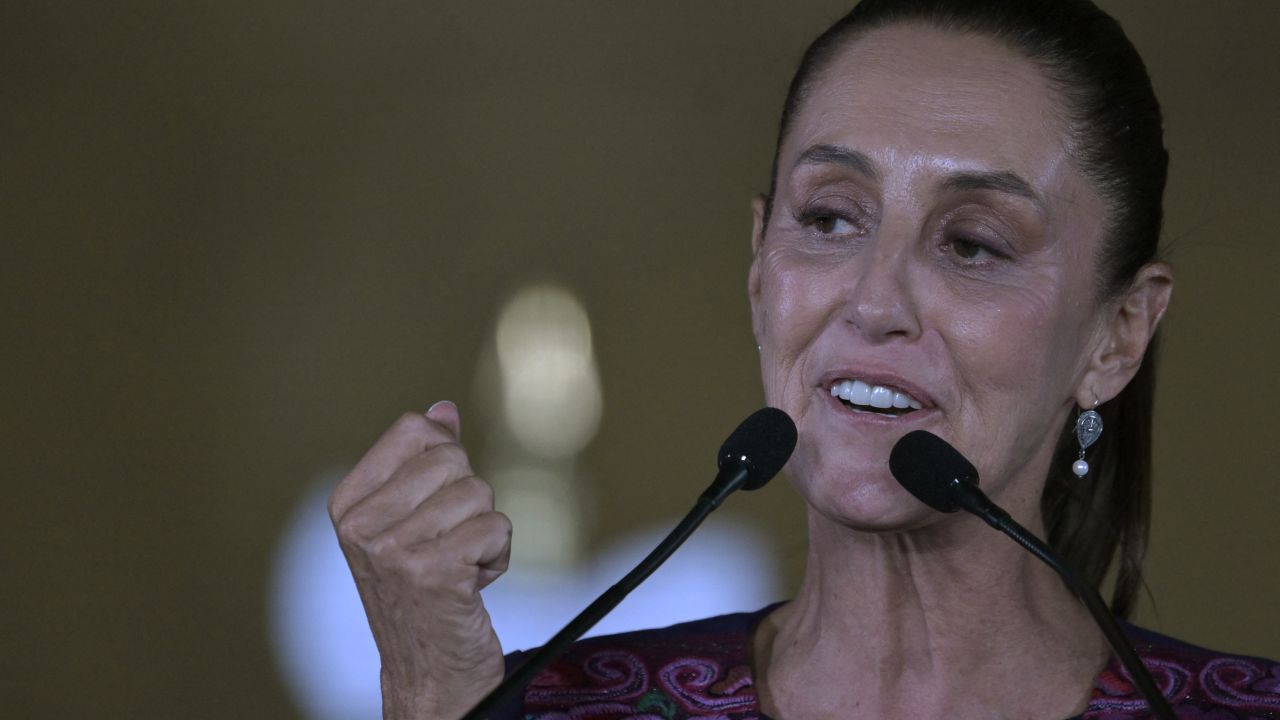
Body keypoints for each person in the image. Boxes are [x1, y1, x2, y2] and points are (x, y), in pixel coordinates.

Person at [327, 1, 1280, 718]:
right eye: (829, 219)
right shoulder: (562, 706)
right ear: (759, 266)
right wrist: (438, 695)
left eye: (974, 243)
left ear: (1119, 334)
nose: (872, 302)